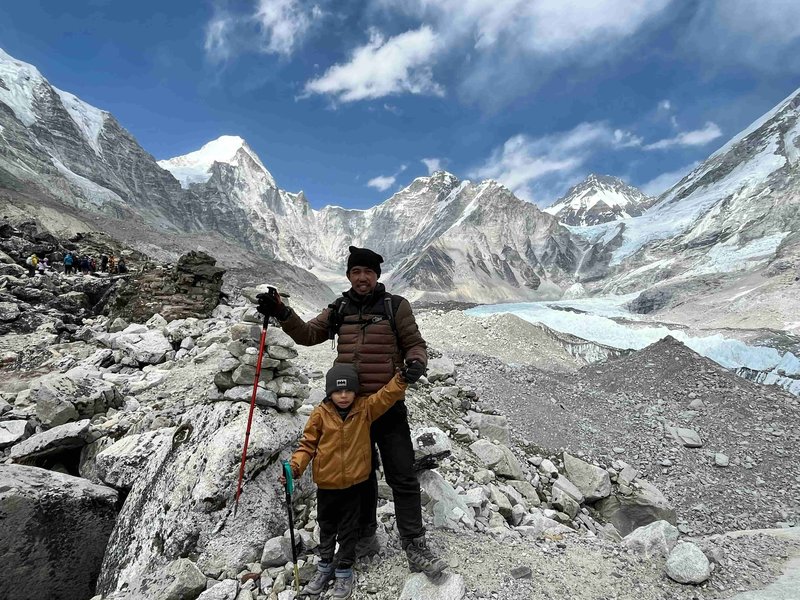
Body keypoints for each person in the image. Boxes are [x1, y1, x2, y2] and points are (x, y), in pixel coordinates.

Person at [257, 246, 447, 577]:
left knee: (401, 475)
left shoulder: (395, 306)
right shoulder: (339, 308)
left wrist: (416, 362)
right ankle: (365, 536)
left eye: (368, 273)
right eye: (356, 272)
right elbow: (308, 335)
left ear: (377, 276)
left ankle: (415, 545)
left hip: (386, 406)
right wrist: (282, 312)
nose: (362, 278)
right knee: (361, 478)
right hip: (349, 409)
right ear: (349, 276)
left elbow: (415, 344)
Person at [284, 364, 409, 599]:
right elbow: (307, 445)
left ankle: (343, 571)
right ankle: (324, 567)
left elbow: (386, 396)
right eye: (338, 391)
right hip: (327, 486)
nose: (343, 396)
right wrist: (294, 467)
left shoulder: (365, 409)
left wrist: (401, 379)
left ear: (356, 392)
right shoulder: (320, 414)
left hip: (354, 486)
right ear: (329, 392)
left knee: (349, 529)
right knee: (327, 526)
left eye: (349, 391)